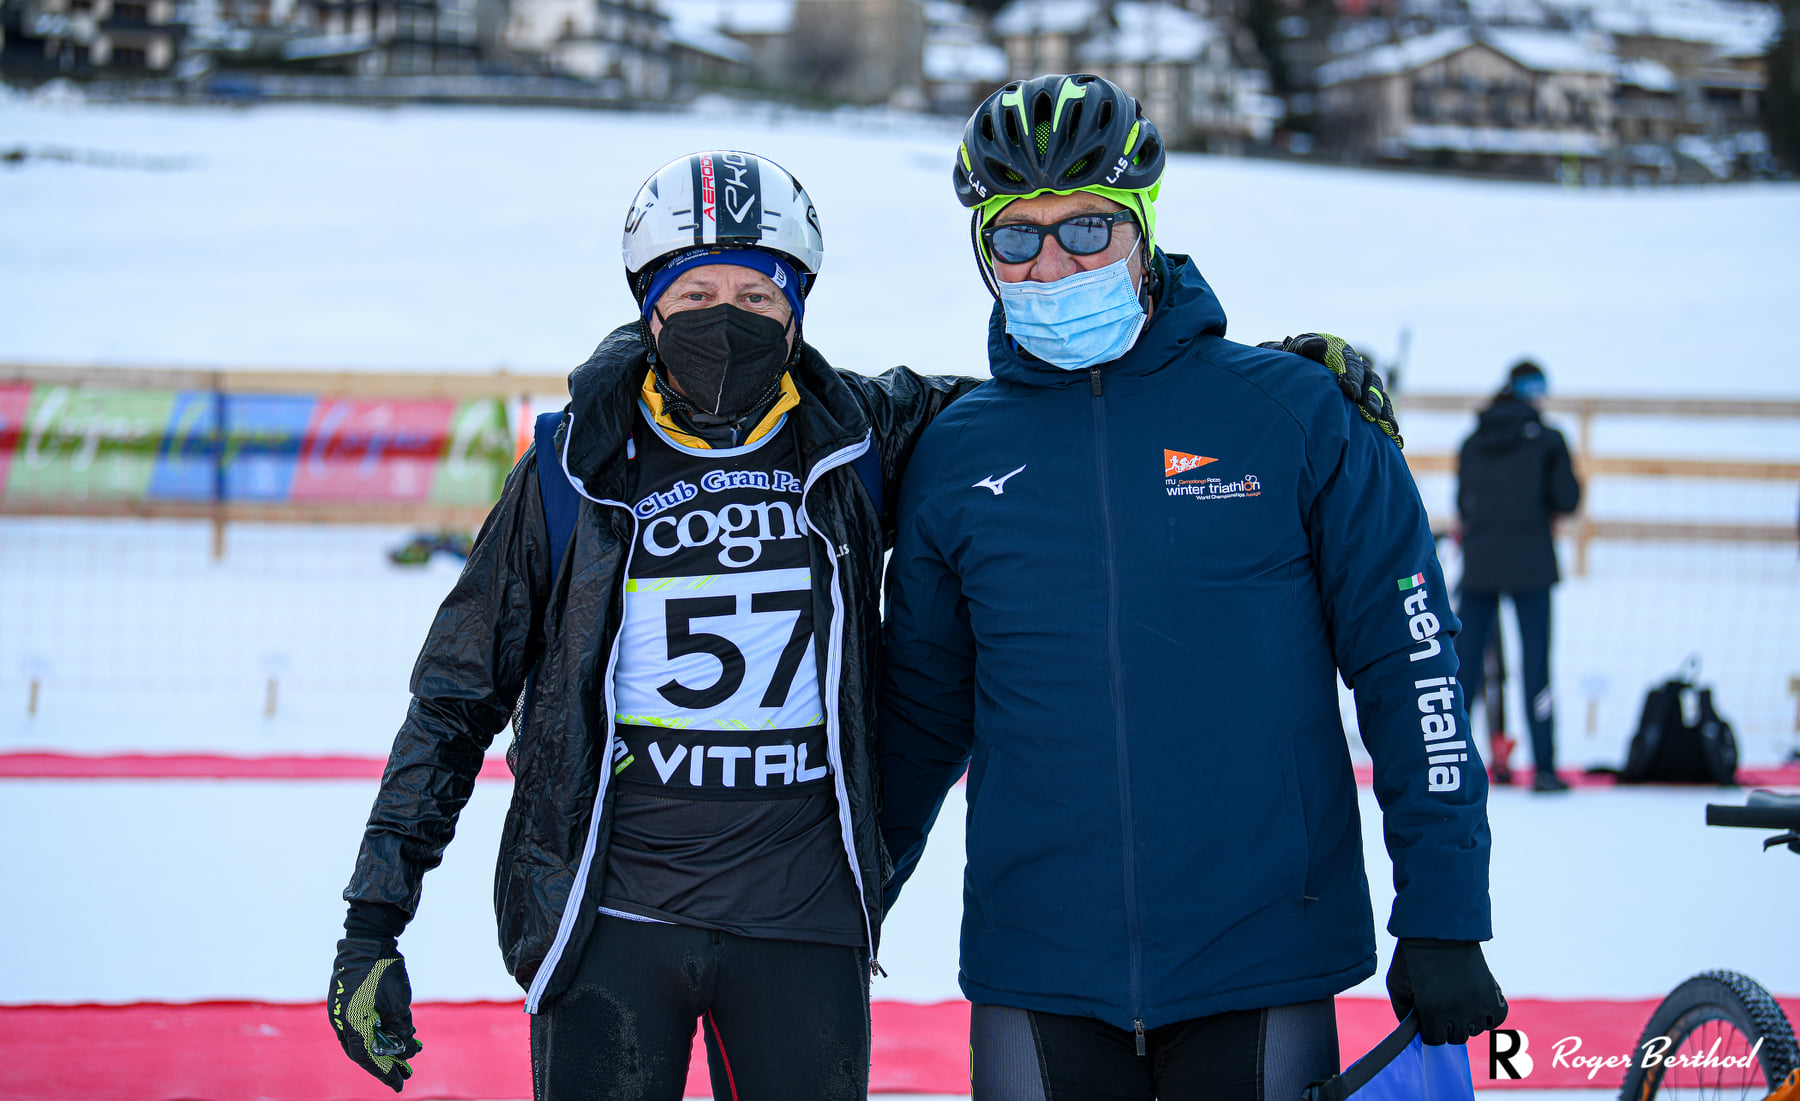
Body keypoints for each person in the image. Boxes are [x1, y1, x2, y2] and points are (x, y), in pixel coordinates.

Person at [324, 145, 1393, 1099]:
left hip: (802, 924)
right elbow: (455, 697)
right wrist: (374, 920)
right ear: (647, 303)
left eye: (757, 289)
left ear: (798, 304)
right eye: (695, 290)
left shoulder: (865, 436)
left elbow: (1071, 408)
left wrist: (1263, 373)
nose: (726, 316)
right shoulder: (568, 468)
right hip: (612, 921)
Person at [877, 74, 1506, 1101]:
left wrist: (1443, 911)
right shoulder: (957, 456)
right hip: (1037, 967)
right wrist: (848, 900)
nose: (1052, 263)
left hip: (1261, 955)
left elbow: (1414, 670)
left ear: (1145, 228)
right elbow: (919, 716)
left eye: (1087, 229)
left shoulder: (1297, 416)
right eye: (1016, 237)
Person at [1452, 360, 1582, 794]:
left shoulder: (1473, 439)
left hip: (1481, 563)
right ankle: (1543, 769)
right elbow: (1568, 498)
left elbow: (1464, 503)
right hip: (1531, 563)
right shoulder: (1548, 440)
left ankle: (1447, 763)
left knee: (1463, 669)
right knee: (1535, 667)